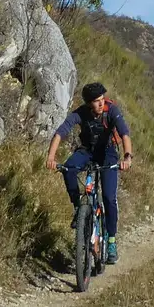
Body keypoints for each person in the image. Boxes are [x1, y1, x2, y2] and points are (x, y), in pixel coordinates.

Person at [46, 81, 133, 264]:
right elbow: (60, 133)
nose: (101, 103)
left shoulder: (111, 111)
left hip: (108, 153)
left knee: (109, 197)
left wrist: (127, 157)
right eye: (96, 101)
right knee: (68, 169)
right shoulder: (80, 113)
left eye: (102, 99)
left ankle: (111, 241)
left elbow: (124, 134)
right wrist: (51, 158)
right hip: (87, 150)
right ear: (88, 103)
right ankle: (79, 207)